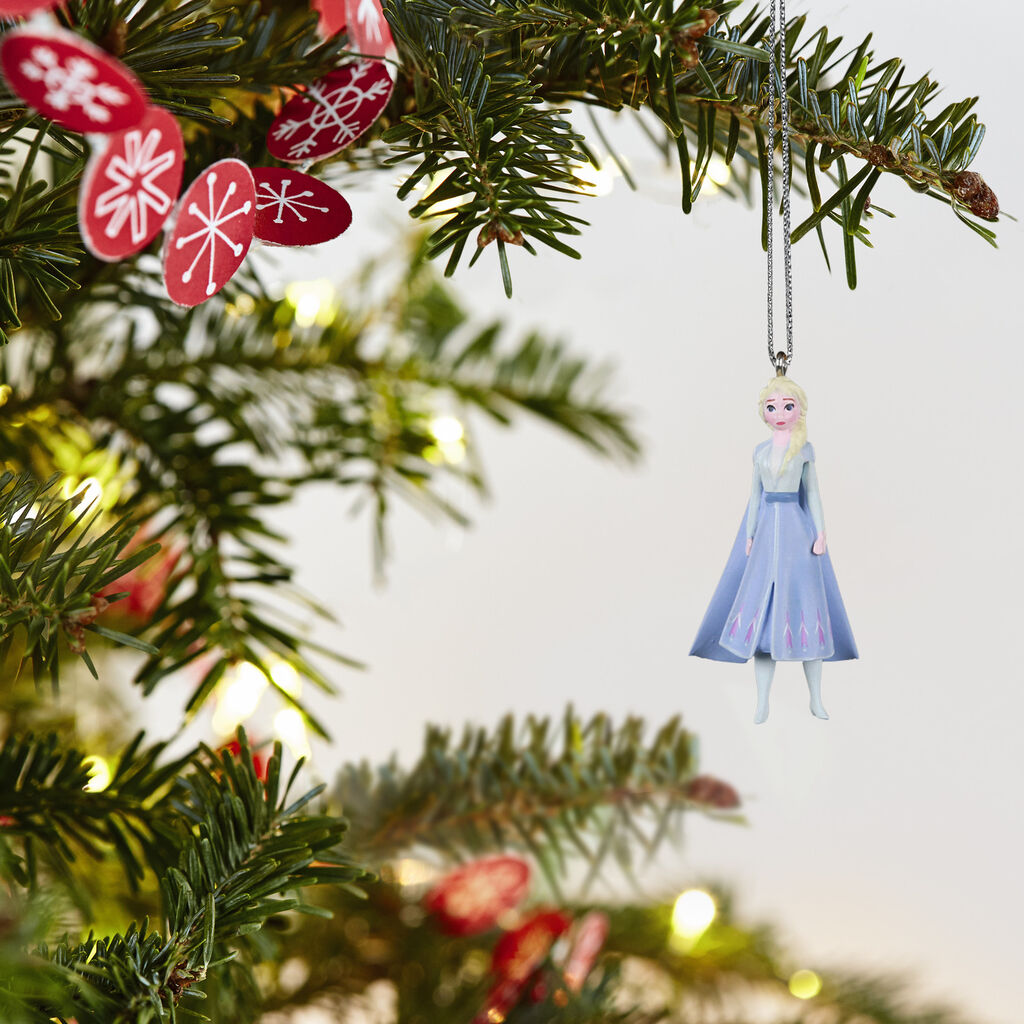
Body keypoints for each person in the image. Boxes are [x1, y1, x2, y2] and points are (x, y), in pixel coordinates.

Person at [689, 374, 857, 723]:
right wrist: (750, 534)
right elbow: (754, 496)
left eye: (787, 406)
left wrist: (821, 532)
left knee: (807, 606)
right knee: (763, 624)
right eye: (772, 407)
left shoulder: (805, 451)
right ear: (763, 412)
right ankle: (762, 701)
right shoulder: (760, 453)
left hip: (797, 532)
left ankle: (816, 698)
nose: (779, 413)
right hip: (767, 534)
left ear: (799, 410)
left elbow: (813, 494)